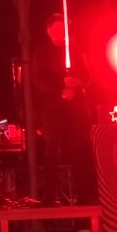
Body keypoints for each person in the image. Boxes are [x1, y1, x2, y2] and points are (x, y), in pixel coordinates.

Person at [29, 13, 96, 204]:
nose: (61, 32)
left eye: (63, 28)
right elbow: (38, 79)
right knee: (53, 150)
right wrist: (60, 88)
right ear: (49, 31)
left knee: (79, 149)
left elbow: (87, 74)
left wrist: (77, 83)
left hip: (75, 107)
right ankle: (50, 195)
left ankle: (84, 194)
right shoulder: (42, 52)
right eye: (57, 28)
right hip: (53, 107)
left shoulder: (75, 49)